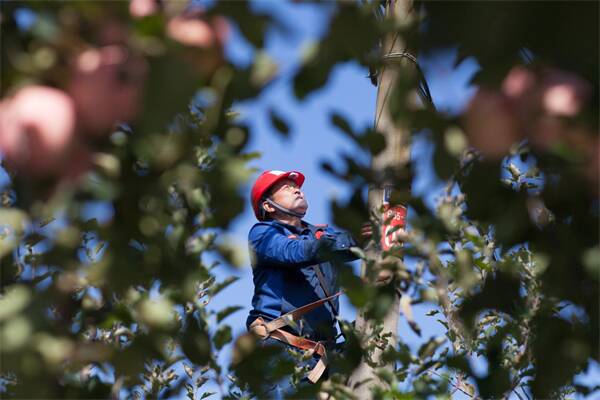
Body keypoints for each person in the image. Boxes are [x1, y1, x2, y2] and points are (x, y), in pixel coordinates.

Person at [245, 169, 359, 394]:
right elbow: (293, 251)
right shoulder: (262, 234)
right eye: (286, 187)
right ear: (268, 206)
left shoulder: (320, 233)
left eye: (296, 186)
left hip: (322, 355)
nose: (297, 189)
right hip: (279, 349)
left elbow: (349, 246)